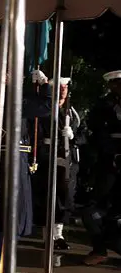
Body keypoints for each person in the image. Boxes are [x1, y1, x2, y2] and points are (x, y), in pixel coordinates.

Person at [0, 70, 52, 273]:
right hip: (12, 161)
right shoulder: (10, 98)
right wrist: (45, 86)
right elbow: (46, 106)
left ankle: (2, 271)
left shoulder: (9, 97)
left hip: (17, 159)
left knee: (12, 220)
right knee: (10, 220)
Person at [30, 72, 84, 250]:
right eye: (59, 88)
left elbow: (84, 135)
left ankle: (58, 234)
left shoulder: (73, 112)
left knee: (65, 196)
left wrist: (73, 136)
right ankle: (47, 234)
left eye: (65, 87)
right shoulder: (45, 109)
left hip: (68, 159)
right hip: (48, 156)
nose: (63, 91)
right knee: (47, 196)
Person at [82, 69, 121, 266]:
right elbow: (98, 134)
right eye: (116, 84)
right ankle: (99, 249)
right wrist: (113, 153)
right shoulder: (104, 106)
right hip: (109, 163)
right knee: (93, 209)